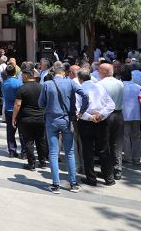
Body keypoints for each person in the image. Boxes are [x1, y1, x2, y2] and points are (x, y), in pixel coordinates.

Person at [38, 62, 89, 194]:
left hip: (52, 120)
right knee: (70, 152)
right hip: (67, 120)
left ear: (53, 73)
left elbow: (40, 103)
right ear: (64, 73)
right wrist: (81, 112)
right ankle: (73, 183)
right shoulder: (71, 83)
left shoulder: (47, 84)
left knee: (53, 153)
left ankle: (56, 184)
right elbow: (85, 95)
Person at [76, 68, 115, 187]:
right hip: (100, 121)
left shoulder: (79, 90)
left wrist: (90, 117)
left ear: (79, 79)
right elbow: (111, 105)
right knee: (104, 149)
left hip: (86, 122)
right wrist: (100, 114)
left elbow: (77, 109)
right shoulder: (100, 87)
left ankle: (91, 178)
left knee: (87, 151)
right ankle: (109, 178)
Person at [12, 62, 48, 170]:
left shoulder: (22, 89)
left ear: (27, 75)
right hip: (40, 117)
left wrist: (14, 117)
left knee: (28, 141)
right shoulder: (41, 87)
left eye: (23, 75)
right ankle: (43, 162)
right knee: (40, 140)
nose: (22, 77)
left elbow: (17, 104)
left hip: (26, 118)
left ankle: (31, 163)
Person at [96, 63, 125, 180]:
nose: (98, 73)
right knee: (117, 144)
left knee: (105, 144)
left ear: (104, 72)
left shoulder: (99, 84)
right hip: (118, 114)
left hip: (106, 115)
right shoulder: (120, 83)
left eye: (99, 70)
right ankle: (117, 170)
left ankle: (107, 171)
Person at [121, 66, 141, 165]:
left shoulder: (120, 86)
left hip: (124, 114)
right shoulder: (138, 87)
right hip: (136, 114)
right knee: (136, 136)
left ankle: (128, 157)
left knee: (126, 136)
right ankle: (136, 158)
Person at [2, 64, 22, 157]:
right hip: (18, 109)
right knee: (21, 132)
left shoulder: (4, 83)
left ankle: (11, 150)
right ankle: (24, 151)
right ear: (15, 72)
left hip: (8, 109)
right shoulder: (19, 83)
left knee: (10, 131)